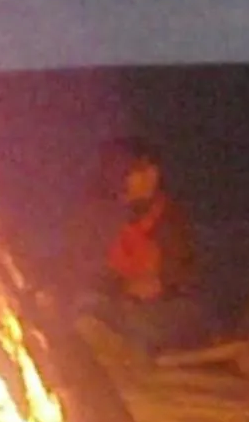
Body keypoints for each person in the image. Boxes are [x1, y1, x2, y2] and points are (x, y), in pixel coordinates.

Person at [58, 140, 211, 357]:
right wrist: (121, 286)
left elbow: (190, 272)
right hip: (115, 301)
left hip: (164, 306)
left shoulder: (171, 218)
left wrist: (163, 283)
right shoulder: (98, 217)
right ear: (120, 176)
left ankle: (130, 353)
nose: (151, 176)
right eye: (140, 171)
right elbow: (81, 267)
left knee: (161, 321)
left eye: (152, 168)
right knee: (87, 306)